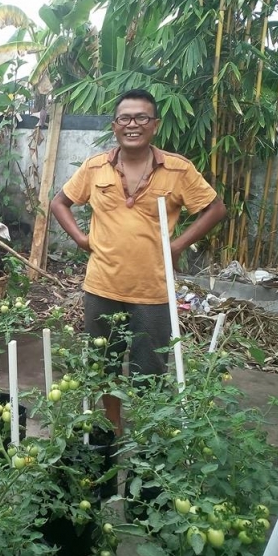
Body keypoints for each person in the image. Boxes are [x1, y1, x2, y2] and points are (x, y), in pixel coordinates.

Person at [50, 88, 227, 436]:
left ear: (155, 125)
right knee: (105, 365)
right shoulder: (95, 167)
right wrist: (82, 239)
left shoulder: (177, 170)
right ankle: (112, 429)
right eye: (125, 118)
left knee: (150, 367)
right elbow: (60, 202)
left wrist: (177, 246)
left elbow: (215, 209)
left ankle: (147, 433)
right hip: (102, 285)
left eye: (142, 117)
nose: (133, 124)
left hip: (153, 290)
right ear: (115, 126)